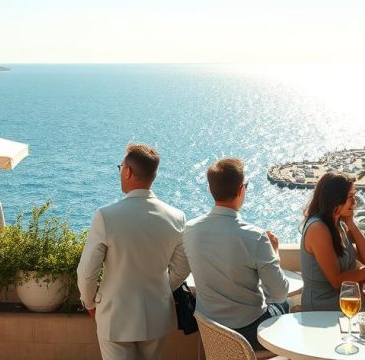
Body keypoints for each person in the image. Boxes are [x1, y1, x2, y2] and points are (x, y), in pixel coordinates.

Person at [77, 143, 188, 360]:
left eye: (120, 168)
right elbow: (182, 267)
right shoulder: (177, 217)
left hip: (115, 316)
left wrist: (89, 303)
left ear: (128, 171)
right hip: (157, 315)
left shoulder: (106, 216)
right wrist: (161, 290)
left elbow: (86, 272)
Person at [183, 158, 289, 351]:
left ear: (210, 188)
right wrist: (275, 254)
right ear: (241, 190)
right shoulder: (255, 237)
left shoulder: (190, 230)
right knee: (285, 304)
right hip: (247, 333)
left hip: (210, 329)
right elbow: (279, 292)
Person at [299, 172, 365, 311]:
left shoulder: (339, 225)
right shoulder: (318, 228)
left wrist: (352, 225)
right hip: (324, 300)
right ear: (335, 199)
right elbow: (337, 281)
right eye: (350, 197)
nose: (355, 202)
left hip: (342, 292)